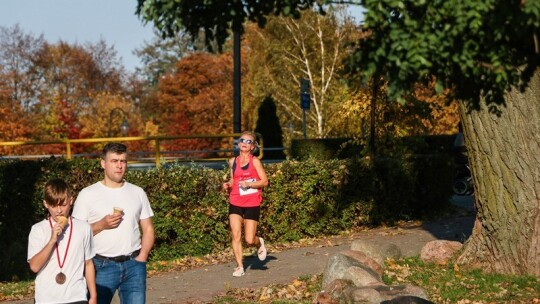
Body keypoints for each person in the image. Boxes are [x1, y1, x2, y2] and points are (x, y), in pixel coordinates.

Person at [72, 142, 155, 304]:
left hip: (134, 265)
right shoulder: (88, 194)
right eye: (114, 161)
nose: (119, 166)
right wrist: (101, 225)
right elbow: (76, 234)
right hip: (100, 265)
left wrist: (143, 256)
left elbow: (149, 228)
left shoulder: (137, 192)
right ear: (103, 163)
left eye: (123, 161)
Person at [27, 178, 97, 304]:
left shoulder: (83, 228)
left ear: (71, 201)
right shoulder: (38, 229)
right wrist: (52, 240)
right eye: (53, 205)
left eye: (63, 205)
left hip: (76, 297)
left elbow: (88, 263)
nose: (59, 211)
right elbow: (34, 266)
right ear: (45, 204)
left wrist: (93, 296)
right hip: (46, 298)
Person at [222, 131, 269, 277]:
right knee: (235, 234)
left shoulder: (255, 161)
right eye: (242, 140)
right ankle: (239, 266)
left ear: (252, 147)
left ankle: (259, 243)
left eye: (248, 141)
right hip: (235, 201)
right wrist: (228, 184)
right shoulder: (232, 161)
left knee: (249, 239)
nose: (244, 143)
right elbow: (233, 179)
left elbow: (265, 181)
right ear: (238, 143)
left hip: (252, 202)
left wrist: (249, 184)